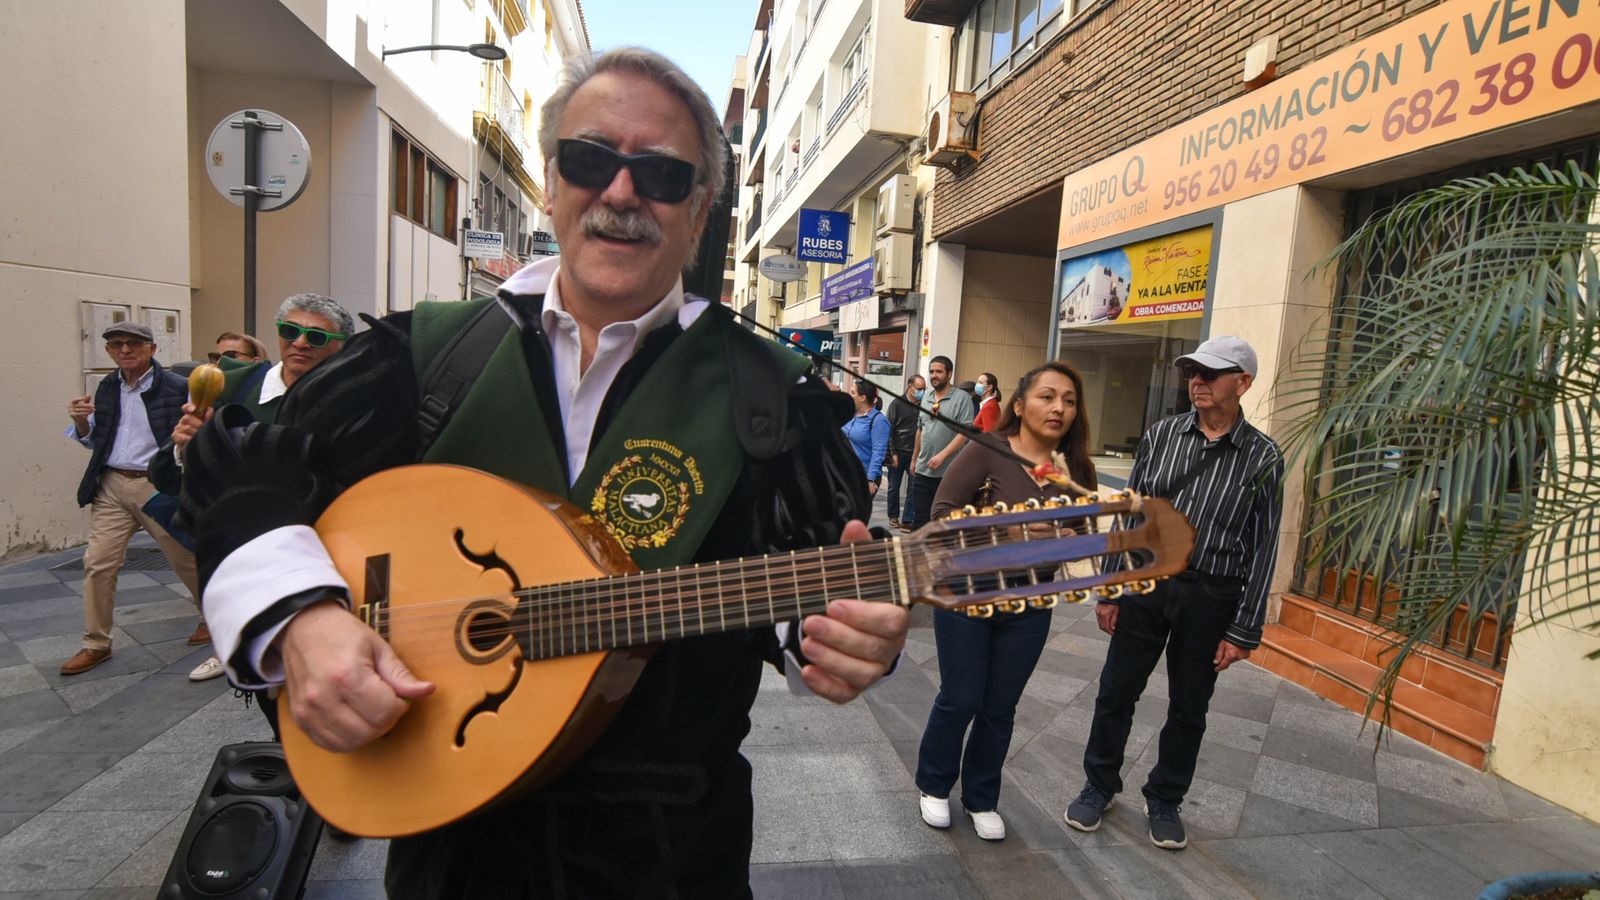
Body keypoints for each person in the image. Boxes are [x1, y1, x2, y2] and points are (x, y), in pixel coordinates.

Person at [177, 47, 907, 898]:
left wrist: (851, 638)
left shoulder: (769, 395)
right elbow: (237, 466)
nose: (622, 194)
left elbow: (818, 584)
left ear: (701, 208)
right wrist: (302, 619)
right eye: (592, 160)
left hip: (668, 852)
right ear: (554, 182)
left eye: (663, 175)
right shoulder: (427, 355)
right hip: (455, 842)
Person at [1065, 335, 1283, 851]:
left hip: (1212, 596)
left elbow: (1264, 545)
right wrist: (1111, 590)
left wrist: (1243, 629)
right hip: (1146, 585)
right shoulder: (1162, 435)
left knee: (1189, 705)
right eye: (1192, 372)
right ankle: (1099, 786)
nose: (1198, 381)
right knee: (1116, 692)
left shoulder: (1263, 457)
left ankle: (1165, 798)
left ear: (1243, 383)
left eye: (1211, 373)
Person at [915, 361, 1097, 841]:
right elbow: (941, 514)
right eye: (1047, 396)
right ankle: (934, 785)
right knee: (961, 697)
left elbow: (1082, 536)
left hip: (1031, 602)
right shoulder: (988, 449)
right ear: (1019, 404)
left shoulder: (1076, 468)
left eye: (1070, 400)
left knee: (1000, 705)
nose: (1059, 407)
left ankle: (981, 798)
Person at [152, 296, 353, 684]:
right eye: (290, 331)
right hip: (250, 552)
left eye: (315, 335)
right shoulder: (233, 388)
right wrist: (185, 448)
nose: (300, 343)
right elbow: (163, 476)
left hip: (327, 549)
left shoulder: (350, 395)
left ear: (340, 344)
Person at [60, 322, 203, 675]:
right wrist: (81, 424)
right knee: (97, 563)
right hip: (110, 484)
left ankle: (215, 617)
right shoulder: (106, 387)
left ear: (152, 349)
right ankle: (96, 643)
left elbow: (194, 438)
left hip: (156, 483)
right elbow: (98, 439)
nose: (125, 350)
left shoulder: (177, 387)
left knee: (185, 557)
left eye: (133, 344)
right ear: (109, 351)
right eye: (116, 344)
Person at [906, 356, 974, 532]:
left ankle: (941, 558)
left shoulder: (962, 398)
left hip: (948, 473)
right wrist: (914, 459)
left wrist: (942, 456)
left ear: (949, 374)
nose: (934, 375)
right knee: (920, 521)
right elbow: (921, 430)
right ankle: (918, 557)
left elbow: (964, 432)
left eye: (938, 371)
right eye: (931, 372)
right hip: (923, 470)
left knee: (943, 524)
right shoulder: (927, 396)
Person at [884, 374, 924, 530]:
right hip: (899, 451)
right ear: (910, 387)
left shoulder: (925, 404)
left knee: (914, 487)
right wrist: (892, 452)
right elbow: (889, 430)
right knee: (894, 486)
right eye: (919, 389)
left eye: (923, 389)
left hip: (916, 452)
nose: (921, 392)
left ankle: (907, 519)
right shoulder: (897, 404)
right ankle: (893, 516)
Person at [840, 378, 889, 501]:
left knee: (855, 514)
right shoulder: (850, 414)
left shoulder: (878, 420)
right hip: (846, 472)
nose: (850, 395)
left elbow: (878, 452)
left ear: (862, 397)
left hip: (864, 475)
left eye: (853, 393)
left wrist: (870, 479)